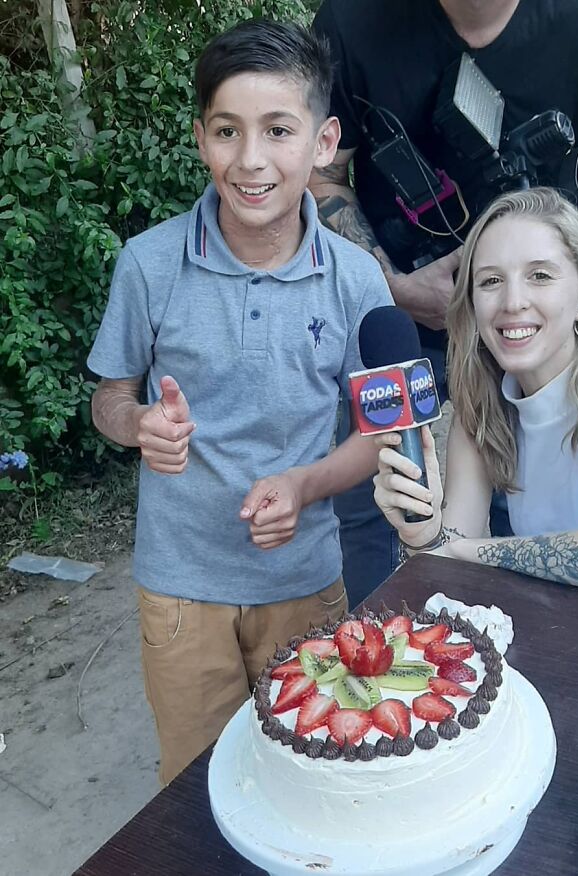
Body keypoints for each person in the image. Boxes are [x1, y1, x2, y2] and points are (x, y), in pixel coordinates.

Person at [87, 20, 392, 785]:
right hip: (180, 590)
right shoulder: (149, 265)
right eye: (228, 131)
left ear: (323, 143)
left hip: (306, 583)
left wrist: (304, 485)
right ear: (201, 139)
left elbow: (379, 434)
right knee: (196, 786)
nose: (250, 159)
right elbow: (110, 397)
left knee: (317, 773)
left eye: (278, 130)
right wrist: (138, 425)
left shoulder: (357, 279)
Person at [310, 0, 578, 603]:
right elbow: (324, 173)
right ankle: (387, 646)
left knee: (537, 502)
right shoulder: (352, 21)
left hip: (531, 339)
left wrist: (538, 284)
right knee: (382, 503)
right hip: (400, 325)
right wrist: (397, 287)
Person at [373, 187, 578, 602]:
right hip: (563, 634)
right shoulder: (482, 414)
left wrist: (469, 552)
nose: (513, 302)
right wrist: (422, 534)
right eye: (491, 281)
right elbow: (446, 567)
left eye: (540, 275)